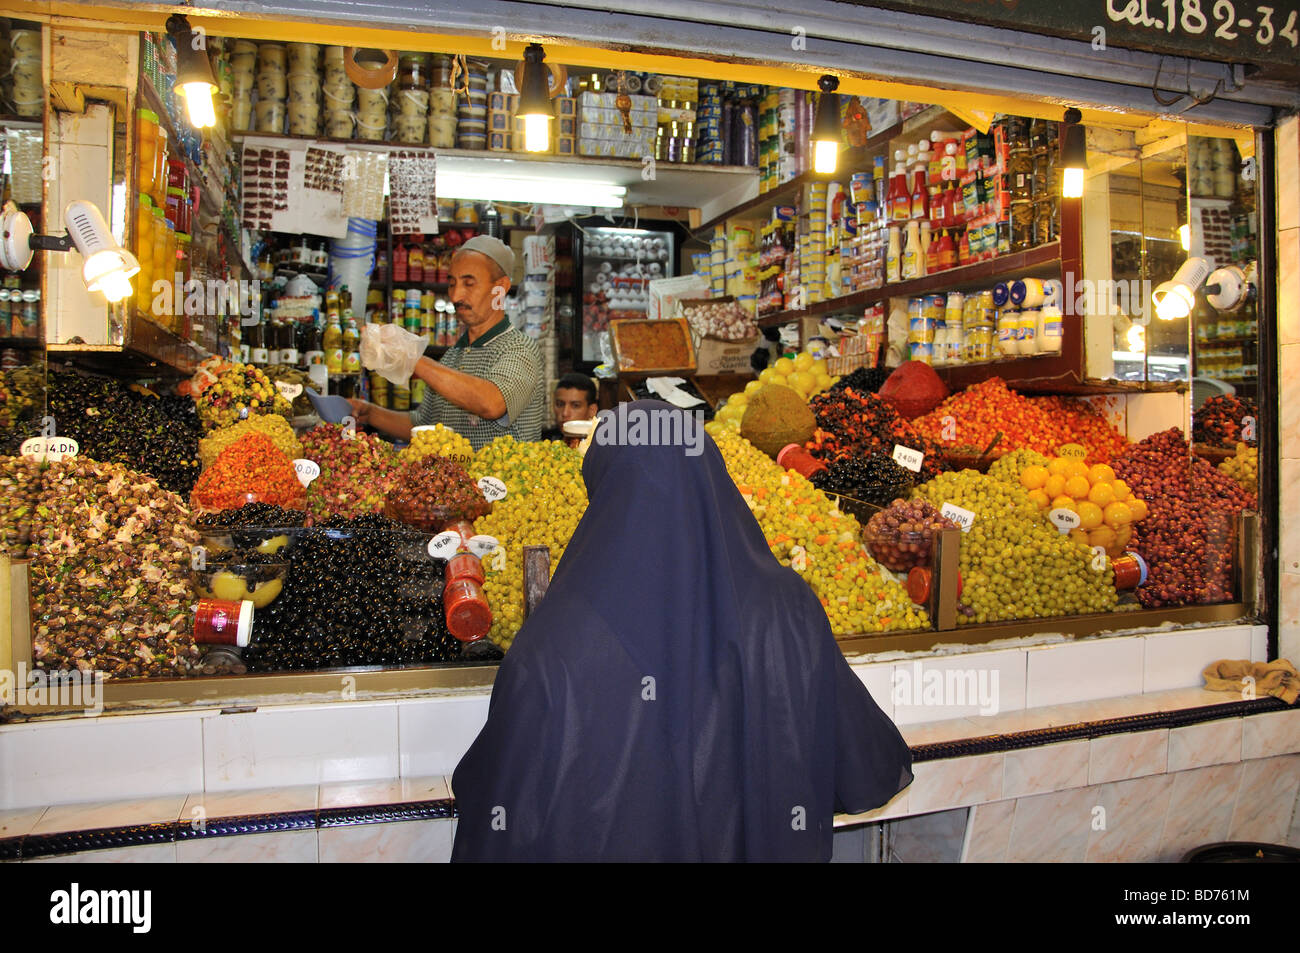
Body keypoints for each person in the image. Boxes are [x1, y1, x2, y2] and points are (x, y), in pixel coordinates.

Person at [451, 400, 913, 862]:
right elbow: (866, 762)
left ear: (607, 490)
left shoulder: (553, 644)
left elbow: (500, 813)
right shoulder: (790, 609)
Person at [347, 235, 546, 451]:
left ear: (500, 288)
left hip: (504, 484)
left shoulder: (520, 349)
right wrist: (371, 413)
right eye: (452, 284)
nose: (457, 295)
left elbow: (491, 402)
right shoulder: (452, 356)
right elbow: (424, 426)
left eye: (469, 284)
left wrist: (413, 358)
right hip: (456, 483)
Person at [540, 373, 599, 445]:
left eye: (575, 406)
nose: (565, 413)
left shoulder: (601, 444)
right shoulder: (544, 441)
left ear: (592, 410)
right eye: (560, 404)